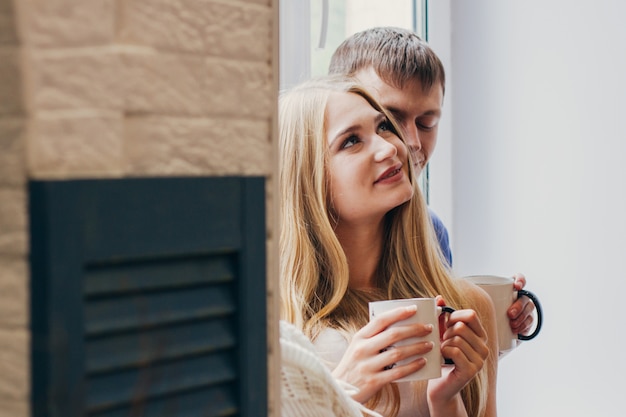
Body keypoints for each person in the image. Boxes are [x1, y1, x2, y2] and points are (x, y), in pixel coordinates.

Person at [278, 76, 498, 416]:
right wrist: (341, 392)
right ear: (308, 180)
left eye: (383, 127)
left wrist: (446, 401)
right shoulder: (280, 330)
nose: (390, 147)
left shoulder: (467, 307)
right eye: (351, 141)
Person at [328, 26, 534, 337]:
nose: (410, 142)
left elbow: (432, 372)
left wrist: (489, 330)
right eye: (388, 121)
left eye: (426, 123)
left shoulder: (432, 234)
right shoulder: (287, 247)